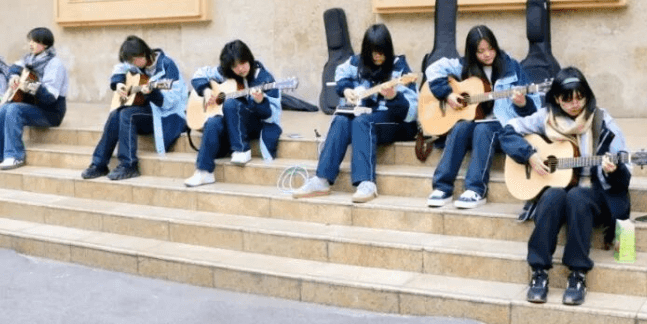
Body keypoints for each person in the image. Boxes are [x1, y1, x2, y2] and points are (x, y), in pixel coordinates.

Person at [500, 67, 631, 306]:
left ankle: (577, 274)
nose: (575, 104)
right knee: (552, 196)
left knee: (578, 196)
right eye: (567, 99)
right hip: (559, 188)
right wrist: (529, 155)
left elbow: (624, 178)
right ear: (557, 99)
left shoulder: (602, 121)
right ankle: (539, 272)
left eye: (580, 97)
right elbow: (507, 132)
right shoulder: (546, 118)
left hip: (595, 193)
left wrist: (614, 170)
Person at [291, 24, 417, 203]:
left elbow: (411, 112)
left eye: (381, 51)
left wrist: (394, 96)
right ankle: (322, 179)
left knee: (362, 121)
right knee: (341, 119)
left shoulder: (400, 68)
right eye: (372, 52)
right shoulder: (357, 62)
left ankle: (366, 183)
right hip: (364, 116)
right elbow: (340, 73)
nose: (377, 56)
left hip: (394, 122)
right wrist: (346, 89)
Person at [424, 25, 537, 209]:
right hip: (476, 123)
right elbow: (432, 70)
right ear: (472, 52)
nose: (487, 54)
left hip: (504, 127)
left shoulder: (512, 67)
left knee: (484, 128)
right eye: (481, 51)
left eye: (490, 48)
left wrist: (523, 103)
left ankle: (475, 189)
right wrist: (447, 94)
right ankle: (442, 187)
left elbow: (534, 107)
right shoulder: (464, 66)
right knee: (461, 127)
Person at [80, 35, 187, 181]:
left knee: (127, 114)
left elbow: (171, 101)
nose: (132, 64)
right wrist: (119, 83)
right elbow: (120, 68)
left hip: (166, 115)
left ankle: (129, 165)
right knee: (116, 113)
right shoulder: (136, 64)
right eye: (130, 61)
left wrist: (153, 93)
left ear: (143, 54)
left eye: (133, 60)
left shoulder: (167, 64)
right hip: (145, 111)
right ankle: (99, 164)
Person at [184, 40, 283, 187]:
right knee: (213, 121)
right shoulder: (225, 73)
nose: (240, 69)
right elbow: (198, 75)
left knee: (230, 103)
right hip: (232, 123)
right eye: (235, 66)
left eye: (243, 63)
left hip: (255, 124)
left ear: (249, 59)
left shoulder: (264, 77)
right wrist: (206, 91)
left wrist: (260, 101)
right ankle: (204, 172)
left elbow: (271, 115)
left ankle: (242, 149)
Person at [0, 27, 69, 171]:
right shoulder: (29, 58)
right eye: (30, 41)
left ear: (45, 44)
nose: (30, 44)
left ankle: (15, 155)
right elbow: (15, 67)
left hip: (51, 112)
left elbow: (50, 97)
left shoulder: (55, 64)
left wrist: (30, 85)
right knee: (4, 107)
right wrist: (15, 76)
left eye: (35, 41)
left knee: (14, 109)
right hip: (34, 106)